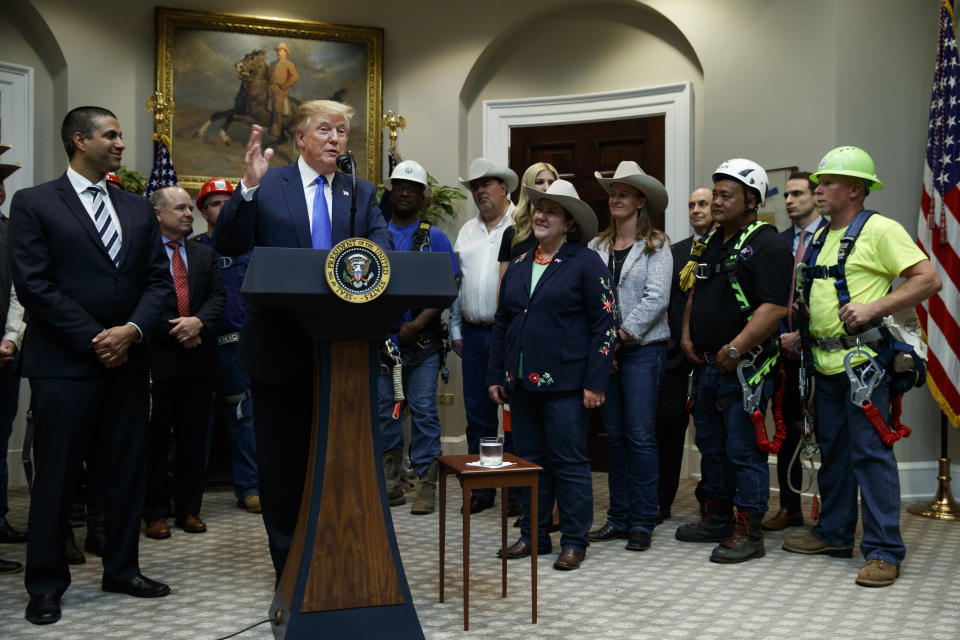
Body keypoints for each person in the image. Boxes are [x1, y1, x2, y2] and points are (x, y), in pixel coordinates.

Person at [10, 106, 174, 624]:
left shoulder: (136, 208)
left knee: (125, 471)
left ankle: (122, 568)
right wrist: (93, 337)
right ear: (80, 140)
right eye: (112, 135)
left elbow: (158, 282)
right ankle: (46, 585)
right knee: (57, 477)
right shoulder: (34, 202)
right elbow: (34, 284)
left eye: (121, 135)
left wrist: (130, 332)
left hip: (128, 361)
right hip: (64, 364)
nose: (122, 143)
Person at [214, 99, 391, 578]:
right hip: (279, 348)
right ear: (300, 137)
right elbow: (227, 243)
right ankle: (290, 567)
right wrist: (246, 188)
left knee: (344, 463)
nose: (335, 139)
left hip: (345, 351)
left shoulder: (362, 192)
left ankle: (342, 559)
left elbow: (385, 257)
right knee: (284, 466)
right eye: (325, 129)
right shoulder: (268, 185)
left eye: (342, 132)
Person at [783, 146, 941, 587]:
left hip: (863, 365)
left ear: (855, 189)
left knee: (871, 455)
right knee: (831, 451)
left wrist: (875, 307)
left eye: (829, 182)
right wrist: (803, 335)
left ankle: (884, 551)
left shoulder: (880, 230)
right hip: (823, 362)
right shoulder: (818, 236)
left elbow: (928, 279)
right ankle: (833, 533)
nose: (819, 189)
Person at [488, 179, 615, 571]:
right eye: (540, 208)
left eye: (552, 211)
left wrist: (596, 381)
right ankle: (533, 536)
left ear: (569, 224)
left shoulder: (585, 261)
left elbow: (605, 323)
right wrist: (497, 373)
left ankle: (574, 541)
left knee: (569, 462)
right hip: (521, 384)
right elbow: (502, 322)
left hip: (567, 384)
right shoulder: (522, 262)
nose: (541, 216)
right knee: (529, 462)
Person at [674, 158, 792, 564]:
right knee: (712, 449)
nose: (716, 202)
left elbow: (775, 307)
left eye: (727, 195)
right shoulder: (710, 243)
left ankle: (748, 532)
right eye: (715, 194)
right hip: (706, 367)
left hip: (745, 368)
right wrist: (688, 334)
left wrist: (737, 347)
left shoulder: (768, 245)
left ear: (752, 200)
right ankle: (718, 518)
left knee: (744, 452)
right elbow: (695, 294)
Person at [587, 161, 671, 552]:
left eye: (624, 193)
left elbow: (657, 298)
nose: (616, 199)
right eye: (613, 193)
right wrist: (604, 346)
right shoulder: (595, 246)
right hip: (608, 352)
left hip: (643, 350)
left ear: (640, 201)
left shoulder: (657, 244)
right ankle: (617, 518)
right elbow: (588, 299)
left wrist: (619, 338)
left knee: (639, 437)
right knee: (615, 437)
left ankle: (642, 521)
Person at [143, 186, 225, 539]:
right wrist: (175, 329)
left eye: (191, 209)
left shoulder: (204, 254)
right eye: (179, 209)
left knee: (194, 439)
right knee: (156, 440)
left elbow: (219, 296)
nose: (189, 214)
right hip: (159, 359)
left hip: (199, 358)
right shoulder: (144, 255)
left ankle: (189, 509)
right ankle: (156, 511)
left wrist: (198, 324)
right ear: (158, 214)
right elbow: (141, 298)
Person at [377, 160, 459, 515]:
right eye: (399, 185)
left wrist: (420, 323)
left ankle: (426, 484)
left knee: (424, 411)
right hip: (383, 343)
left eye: (412, 187)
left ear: (423, 195)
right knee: (385, 412)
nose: (405, 191)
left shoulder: (434, 237)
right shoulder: (375, 234)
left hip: (423, 344)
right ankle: (391, 484)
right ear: (390, 191)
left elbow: (447, 288)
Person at [449, 157, 518, 515]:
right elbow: (456, 285)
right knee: (478, 414)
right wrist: (456, 329)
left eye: (486, 184)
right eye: (475, 186)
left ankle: (520, 490)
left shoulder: (521, 226)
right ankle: (484, 488)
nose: (479, 192)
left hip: (512, 336)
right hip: (474, 336)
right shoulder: (466, 231)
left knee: (518, 413)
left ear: (504, 188)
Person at [763, 171, 828, 532]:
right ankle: (790, 508)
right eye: (786, 194)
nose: (789, 200)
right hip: (781, 349)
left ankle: (829, 511)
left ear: (816, 196)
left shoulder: (830, 238)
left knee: (825, 430)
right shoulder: (778, 241)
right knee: (787, 428)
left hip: (821, 350)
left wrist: (804, 337)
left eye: (797, 194)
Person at [193, 178, 261, 515]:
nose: (223, 208)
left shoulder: (251, 249)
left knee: (243, 418)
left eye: (228, 202)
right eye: (216, 203)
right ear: (203, 211)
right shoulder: (194, 249)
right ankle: (189, 495)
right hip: (202, 346)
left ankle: (249, 487)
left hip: (240, 346)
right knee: (196, 421)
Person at [654, 187, 715, 523]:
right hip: (675, 358)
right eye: (691, 205)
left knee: (710, 435)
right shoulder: (674, 252)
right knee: (669, 431)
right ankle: (662, 501)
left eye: (702, 204)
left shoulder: (726, 249)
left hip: (713, 358)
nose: (695, 210)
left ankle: (711, 500)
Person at [0, 148, 26, 575]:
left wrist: (10, 338)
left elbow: (20, 291)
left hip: (4, 355)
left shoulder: (9, 232)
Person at [497, 162, 559, 278]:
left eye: (551, 182)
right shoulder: (512, 234)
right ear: (528, 188)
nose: (547, 187)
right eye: (540, 182)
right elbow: (503, 283)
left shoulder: (565, 233)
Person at [268, 42, 299, 138]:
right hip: (270, 87)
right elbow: (268, 75)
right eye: (278, 51)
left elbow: (295, 76)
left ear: (286, 53)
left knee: (277, 105)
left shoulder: (289, 64)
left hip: (281, 90)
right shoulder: (273, 64)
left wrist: (286, 85)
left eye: (281, 51)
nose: (279, 53)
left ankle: (277, 127)